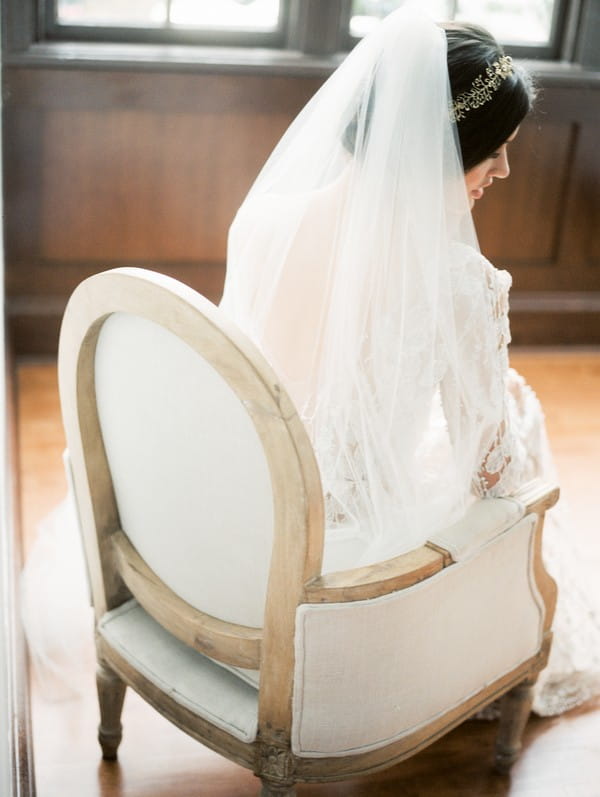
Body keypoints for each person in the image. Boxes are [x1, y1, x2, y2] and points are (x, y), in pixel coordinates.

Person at [219, 4, 600, 715]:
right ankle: (518, 629)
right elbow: (493, 472)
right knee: (521, 415)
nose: (507, 170)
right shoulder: (459, 282)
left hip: (245, 507)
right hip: (345, 557)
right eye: (495, 150)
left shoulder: (263, 222)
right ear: (440, 149)